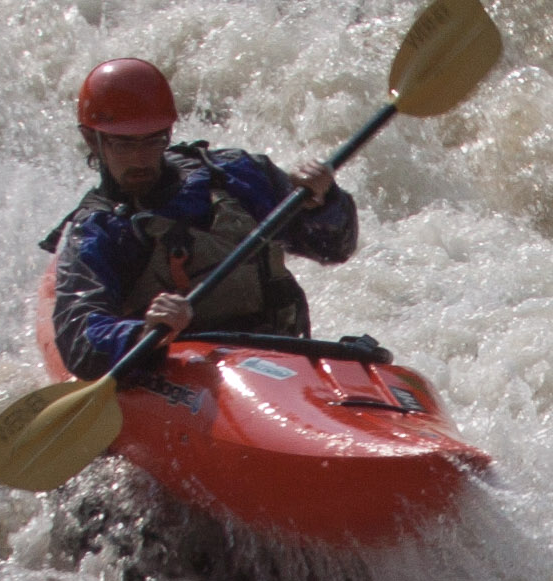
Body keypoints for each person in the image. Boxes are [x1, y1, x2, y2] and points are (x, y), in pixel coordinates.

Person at [39, 56, 362, 371]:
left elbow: (335, 247)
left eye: (152, 140)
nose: (140, 158)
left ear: (168, 132)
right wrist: (143, 332)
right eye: (123, 144)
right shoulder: (98, 230)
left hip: (278, 362)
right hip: (178, 373)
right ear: (91, 140)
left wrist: (323, 202)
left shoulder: (233, 174)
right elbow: (81, 341)